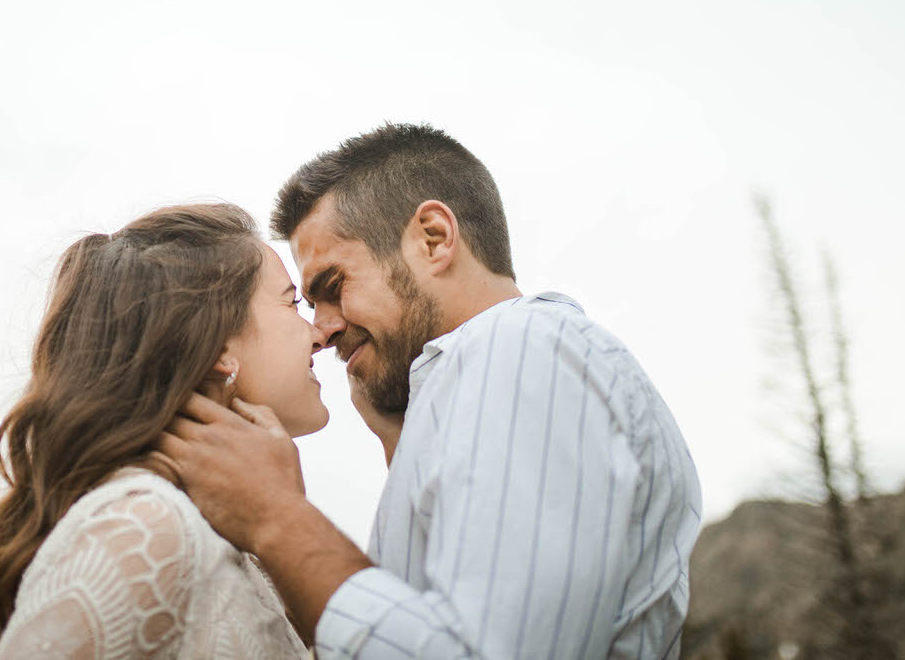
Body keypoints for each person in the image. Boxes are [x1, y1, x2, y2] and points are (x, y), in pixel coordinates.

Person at [157, 123, 703, 659]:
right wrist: (401, 448)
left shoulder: (521, 348)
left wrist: (277, 517)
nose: (321, 330)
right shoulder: (479, 383)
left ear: (433, 239)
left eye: (332, 286)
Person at [0, 203, 327, 660]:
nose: (319, 332)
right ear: (220, 341)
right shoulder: (144, 528)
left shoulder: (220, 534)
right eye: (291, 303)